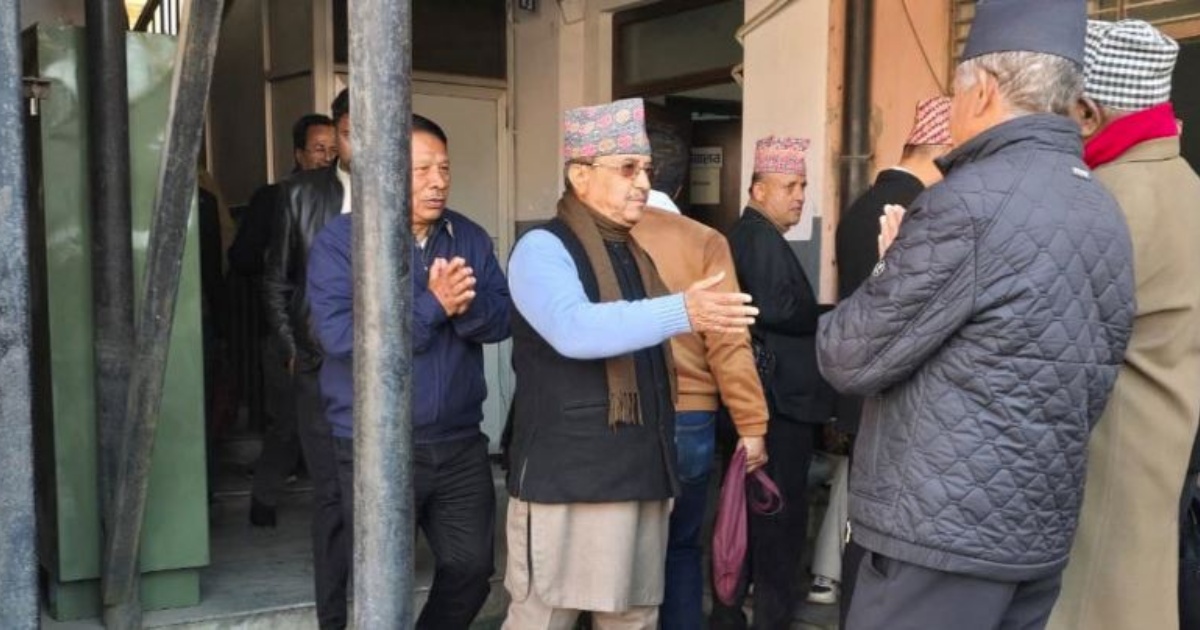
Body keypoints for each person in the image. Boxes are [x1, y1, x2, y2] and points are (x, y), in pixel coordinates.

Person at [817, 1, 1136, 628]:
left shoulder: (966, 204)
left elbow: (846, 355)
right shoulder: (1103, 211)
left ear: (984, 91)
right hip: (1036, 534)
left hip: (936, 538)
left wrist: (890, 264)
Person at [502, 97, 758, 629]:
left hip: (639, 473)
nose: (642, 183)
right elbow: (573, 329)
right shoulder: (542, 248)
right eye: (626, 168)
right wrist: (683, 310)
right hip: (567, 481)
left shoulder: (632, 252)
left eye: (645, 169)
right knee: (544, 618)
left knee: (633, 619)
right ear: (580, 175)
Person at [307, 114, 510, 630]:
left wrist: (465, 307)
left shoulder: (467, 236)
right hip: (375, 444)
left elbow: (504, 318)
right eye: (422, 170)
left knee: (471, 569)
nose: (438, 181)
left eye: (444, 168)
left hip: (459, 440)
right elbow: (340, 338)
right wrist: (433, 306)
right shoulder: (343, 242)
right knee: (377, 580)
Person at [1048, 19, 1200, 630]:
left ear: (1087, 113)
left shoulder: (1105, 199)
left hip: (1102, 461)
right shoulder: (1185, 184)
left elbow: (1045, 340)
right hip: (1158, 457)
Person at [809, 96, 953, 614]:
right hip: (892, 392)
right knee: (877, 538)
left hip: (857, 385)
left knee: (859, 520)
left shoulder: (860, 206)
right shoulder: (916, 210)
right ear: (942, 149)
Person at [631, 140, 770, 629]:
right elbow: (729, 342)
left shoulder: (592, 236)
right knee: (681, 548)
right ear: (680, 185)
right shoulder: (703, 240)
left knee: (617, 554)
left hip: (617, 417)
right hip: (690, 415)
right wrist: (752, 425)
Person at [712, 135, 832, 630]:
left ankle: (738, 614)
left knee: (756, 517)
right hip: (775, 407)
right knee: (776, 522)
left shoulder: (757, 236)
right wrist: (829, 313)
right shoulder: (757, 238)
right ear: (758, 190)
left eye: (803, 185)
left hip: (770, 404)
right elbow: (778, 309)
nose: (799, 196)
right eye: (789, 186)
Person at [262, 90, 351, 629]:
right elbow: (276, 281)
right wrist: (295, 350)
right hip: (321, 362)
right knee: (332, 494)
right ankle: (334, 619)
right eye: (350, 132)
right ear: (337, 134)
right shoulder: (300, 194)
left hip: (392, 364)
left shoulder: (409, 190)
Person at [231, 113, 337, 528]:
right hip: (288, 332)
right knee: (287, 423)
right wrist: (286, 334)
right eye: (318, 149)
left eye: (333, 149)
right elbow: (246, 260)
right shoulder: (276, 198)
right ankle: (264, 500)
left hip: (330, 333)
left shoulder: (345, 197)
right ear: (298, 154)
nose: (326, 157)